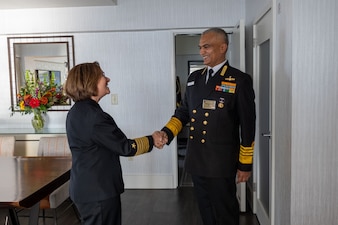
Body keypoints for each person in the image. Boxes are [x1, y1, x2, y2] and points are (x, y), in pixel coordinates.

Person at [160, 28, 256, 225]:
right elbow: (183, 112)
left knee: (225, 211)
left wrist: (245, 164)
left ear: (223, 47)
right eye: (200, 47)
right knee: (205, 209)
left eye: (207, 47)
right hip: (196, 159)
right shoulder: (194, 79)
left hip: (221, 162)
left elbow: (248, 125)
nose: (202, 51)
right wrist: (166, 133)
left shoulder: (239, 79)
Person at [64, 62, 165, 225]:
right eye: (102, 75)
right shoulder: (95, 116)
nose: (107, 78)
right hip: (98, 191)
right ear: (90, 81)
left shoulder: (77, 111)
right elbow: (125, 147)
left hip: (85, 188)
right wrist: (152, 140)